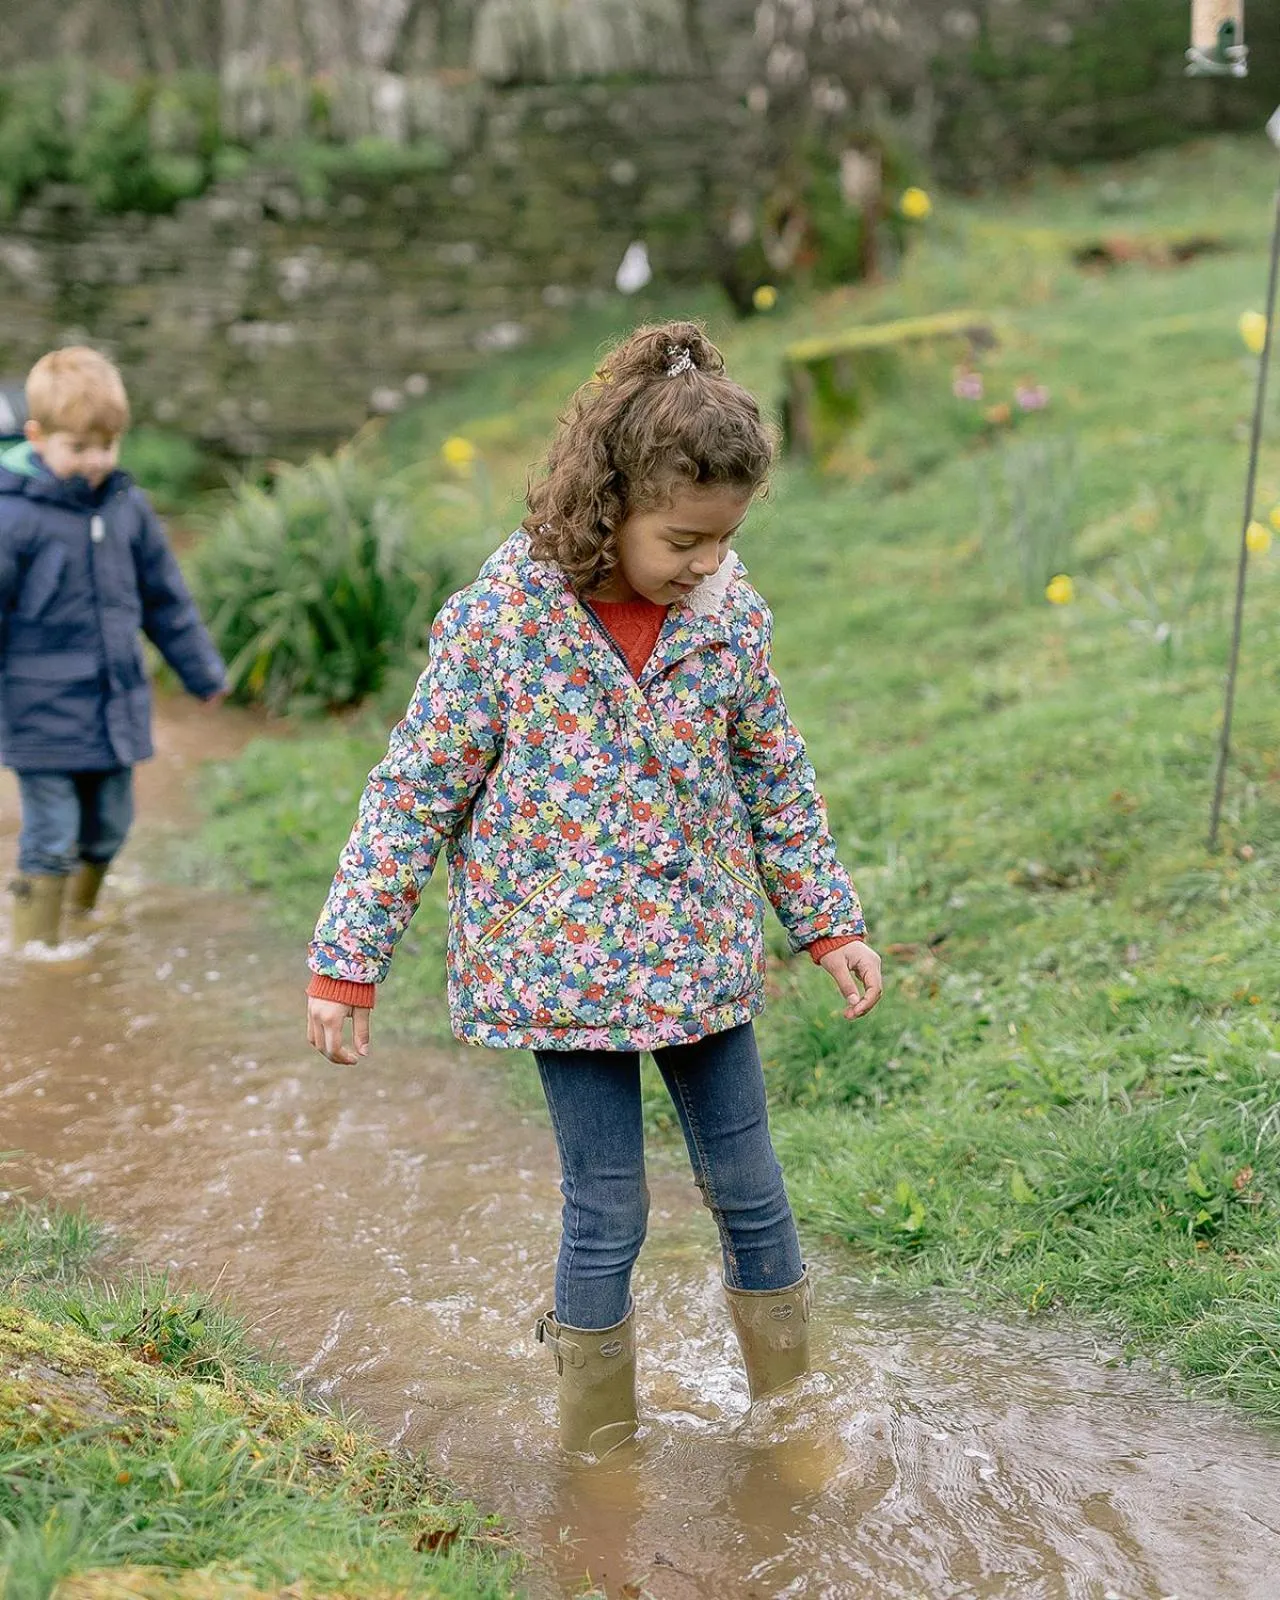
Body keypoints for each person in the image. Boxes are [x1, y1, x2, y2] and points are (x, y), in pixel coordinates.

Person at [306, 321, 883, 1458]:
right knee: (605, 1209)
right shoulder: (505, 623)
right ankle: (596, 1449)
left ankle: (789, 1418)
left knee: (753, 1194)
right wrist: (347, 961)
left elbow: (776, 775)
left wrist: (826, 922)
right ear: (606, 501)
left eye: (722, 540)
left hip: (698, 959)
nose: (703, 564)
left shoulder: (726, 623)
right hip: (561, 976)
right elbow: (413, 789)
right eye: (681, 540)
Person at [0, 347, 228, 952]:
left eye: (107, 446)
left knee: (108, 827)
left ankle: (79, 919)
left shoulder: (128, 509)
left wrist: (202, 672)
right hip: (38, 713)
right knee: (51, 832)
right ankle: (37, 949)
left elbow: (166, 600)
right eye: (78, 448)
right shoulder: (12, 518)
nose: (96, 462)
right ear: (37, 437)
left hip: (114, 705)